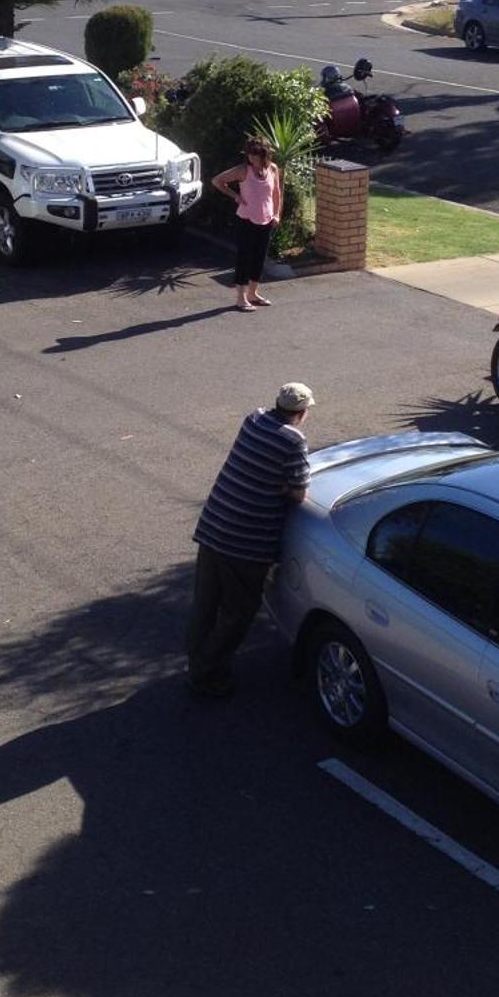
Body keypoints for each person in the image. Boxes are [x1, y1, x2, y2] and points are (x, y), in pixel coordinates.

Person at [186, 382, 315, 696]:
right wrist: (285, 488)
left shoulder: (253, 419)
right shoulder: (292, 440)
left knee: (206, 603)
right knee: (239, 611)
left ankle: (197, 661)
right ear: (302, 412)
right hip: (246, 542)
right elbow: (299, 492)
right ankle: (208, 673)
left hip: (215, 525)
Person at [212, 138, 282, 311]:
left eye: (256, 155)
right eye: (250, 155)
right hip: (246, 219)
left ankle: (253, 293)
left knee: (259, 257)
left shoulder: (272, 169)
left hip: (266, 219)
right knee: (244, 257)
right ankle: (241, 298)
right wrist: (235, 196)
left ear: (264, 155)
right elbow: (217, 181)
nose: (252, 159)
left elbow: (276, 193)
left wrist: (277, 214)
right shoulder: (243, 170)